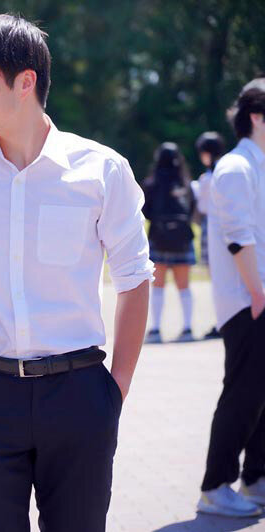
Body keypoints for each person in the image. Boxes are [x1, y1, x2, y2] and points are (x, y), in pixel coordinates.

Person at [0, 14, 152, 532]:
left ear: (25, 82)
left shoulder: (101, 170)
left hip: (81, 395)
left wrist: (115, 390)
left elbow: (135, 279)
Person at [198, 77, 265, 517]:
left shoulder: (255, 165)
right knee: (243, 394)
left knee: (259, 394)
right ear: (257, 117)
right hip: (248, 301)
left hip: (256, 297)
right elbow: (238, 238)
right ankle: (215, 486)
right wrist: (258, 294)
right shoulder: (236, 167)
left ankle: (256, 478)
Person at [142, 143, 197, 343]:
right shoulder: (186, 183)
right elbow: (192, 209)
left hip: (159, 237)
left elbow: (145, 211)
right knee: (184, 286)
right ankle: (188, 329)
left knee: (158, 286)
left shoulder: (151, 183)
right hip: (182, 239)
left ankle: (156, 330)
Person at [193, 131, 227, 339]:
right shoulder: (230, 171)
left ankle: (221, 321)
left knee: (217, 279)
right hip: (232, 228)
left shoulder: (206, 179)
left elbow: (202, 207)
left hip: (212, 228)